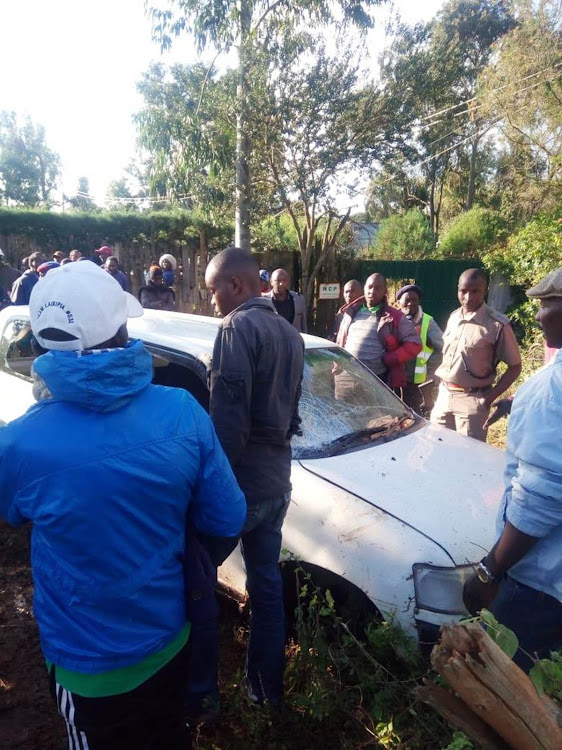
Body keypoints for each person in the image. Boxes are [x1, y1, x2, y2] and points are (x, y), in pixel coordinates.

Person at [0, 260, 246, 747]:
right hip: (170, 642)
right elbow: (227, 517)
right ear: (122, 328)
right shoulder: (181, 411)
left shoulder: (20, 444)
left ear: (45, 343)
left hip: (86, 666)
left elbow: (12, 513)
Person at [205, 247, 304, 706]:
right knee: (266, 588)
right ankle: (266, 693)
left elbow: (228, 425)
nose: (212, 302)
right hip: (277, 482)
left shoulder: (234, 328)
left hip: (239, 488)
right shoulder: (291, 334)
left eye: (213, 291)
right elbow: (292, 416)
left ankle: (199, 697)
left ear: (237, 286)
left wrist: (208, 492)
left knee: (193, 580)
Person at [463, 266, 562, 672]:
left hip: (540, 584)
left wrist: (488, 572)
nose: (537, 315)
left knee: (497, 685)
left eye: (546, 304)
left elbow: (540, 498)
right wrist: (519, 402)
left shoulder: (552, 389)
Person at [430, 268, 521, 442]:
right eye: (463, 291)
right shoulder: (454, 317)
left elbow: (515, 366)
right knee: (437, 452)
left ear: (485, 290)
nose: (468, 297)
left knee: (468, 459)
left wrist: (489, 397)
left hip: (472, 402)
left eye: (475, 291)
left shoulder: (497, 325)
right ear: (458, 289)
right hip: (444, 396)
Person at [336, 273, 422, 390]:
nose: (372, 291)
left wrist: (391, 358)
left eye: (378, 288)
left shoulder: (394, 316)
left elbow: (415, 344)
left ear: (385, 291)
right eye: (370, 287)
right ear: (364, 288)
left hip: (375, 381)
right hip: (345, 378)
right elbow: (340, 342)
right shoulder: (350, 312)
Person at [396, 284, 444, 414]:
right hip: (395, 379)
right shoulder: (393, 319)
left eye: (414, 300)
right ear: (399, 302)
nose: (411, 303)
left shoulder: (427, 322)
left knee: (414, 416)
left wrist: (429, 368)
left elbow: (443, 348)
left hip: (416, 382)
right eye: (407, 300)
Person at [265, 268, 307, 332]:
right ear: (271, 282)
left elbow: (303, 326)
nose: (281, 284)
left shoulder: (299, 300)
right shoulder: (264, 301)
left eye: (284, 280)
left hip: (294, 340)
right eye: (278, 280)